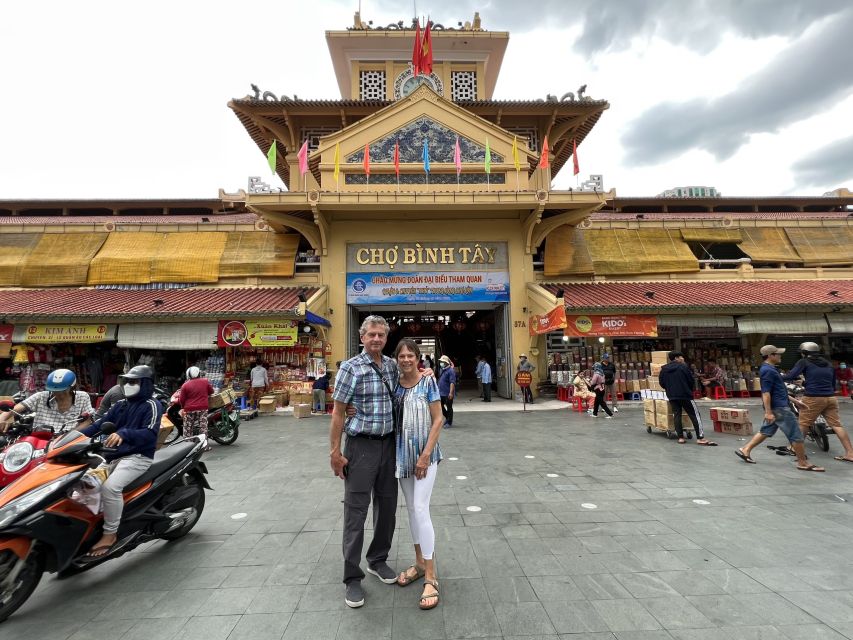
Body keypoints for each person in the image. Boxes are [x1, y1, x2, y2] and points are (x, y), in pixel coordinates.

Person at [329, 315, 399, 608]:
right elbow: (338, 411)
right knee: (356, 511)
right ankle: (352, 577)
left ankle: (377, 559)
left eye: (381, 335)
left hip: (389, 447)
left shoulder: (393, 366)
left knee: (388, 509)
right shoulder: (350, 368)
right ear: (362, 337)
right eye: (371, 334)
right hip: (360, 448)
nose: (376, 339)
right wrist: (335, 452)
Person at [80, 365, 164, 557]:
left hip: (138, 458)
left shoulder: (152, 405)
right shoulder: (120, 405)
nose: (128, 385)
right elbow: (99, 426)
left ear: (145, 384)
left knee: (110, 488)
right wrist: (73, 437)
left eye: (134, 381)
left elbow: (150, 434)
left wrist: (124, 433)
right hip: (111, 457)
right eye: (127, 381)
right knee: (83, 485)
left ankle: (110, 534)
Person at [392, 339, 444, 610]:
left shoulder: (428, 382)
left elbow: (439, 419)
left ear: (418, 358)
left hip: (425, 457)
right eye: (401, 356)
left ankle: (432, 576)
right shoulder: (393, 384)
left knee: (421, 508)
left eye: (410, 355)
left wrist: (424, 455)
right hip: (402, 457)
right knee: (411, 510)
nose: (406, 359)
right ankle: (419, 562)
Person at [736, 345, 824, 471]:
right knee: (796, 434)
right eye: (777, 354)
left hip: (778, 407)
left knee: (765, 431)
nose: (780, 356)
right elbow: (766, 393)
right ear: (771, 355)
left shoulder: (772, 369)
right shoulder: (768, 371)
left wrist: (795, 402)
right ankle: (803, 462)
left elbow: (779, 390)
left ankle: (745, 449)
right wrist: (768, 412)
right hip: (779, 408)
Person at [784, 342, 853, 464]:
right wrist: (807, 384)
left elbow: (792, 376)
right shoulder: (828, 363)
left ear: (804, 353)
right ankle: (850, 454)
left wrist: (777, 377)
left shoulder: (804, 362)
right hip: (830, 398)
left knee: (803, 424)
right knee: (837, 425)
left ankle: (794, 448)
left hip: (813, 398)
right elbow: (832, 383)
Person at [1, 368, 93, 433]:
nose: (58, 394)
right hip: (40, 439)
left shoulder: (82, 397)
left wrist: (71, 434)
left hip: (69, 440)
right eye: (54, 390)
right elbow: (14, 409)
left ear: (72, 387)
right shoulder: (41, 396)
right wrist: (2, 419)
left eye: (62, 391)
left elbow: (88, 421)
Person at [659, 352, 716, 445]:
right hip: (685, 395)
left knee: (677, 415)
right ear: (676, 358)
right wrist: (687, 389)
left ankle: (680, 437)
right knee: (695, 415)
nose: (683, 358)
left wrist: (670, 389)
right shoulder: (683, 367)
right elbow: (691, 380)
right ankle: (700, 438)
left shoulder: (664, 369)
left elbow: (662, 383)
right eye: (681, 356)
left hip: (672, 396)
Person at [177, 366, 213, 439]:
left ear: (188, 375)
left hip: (189, 409)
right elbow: (211, 391)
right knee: (203, 428)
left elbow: (182, 399)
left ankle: (187, 445)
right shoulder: (205, 381)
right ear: (199, 373)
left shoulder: (185, 385)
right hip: (203, 408)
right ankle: (204, 445)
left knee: (188, 429)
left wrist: (182, 407)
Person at [437, 355, 456, 428]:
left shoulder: (451, 371)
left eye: (442, 362)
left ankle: (449, 422)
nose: (441, 363)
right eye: (441, 361)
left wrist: (451, 393)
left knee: (449, 407)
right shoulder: (443, 369)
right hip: (441, 393)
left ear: (446, 362)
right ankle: (448, 418)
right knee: (440, 406)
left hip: (447, 393)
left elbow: (452, 382)